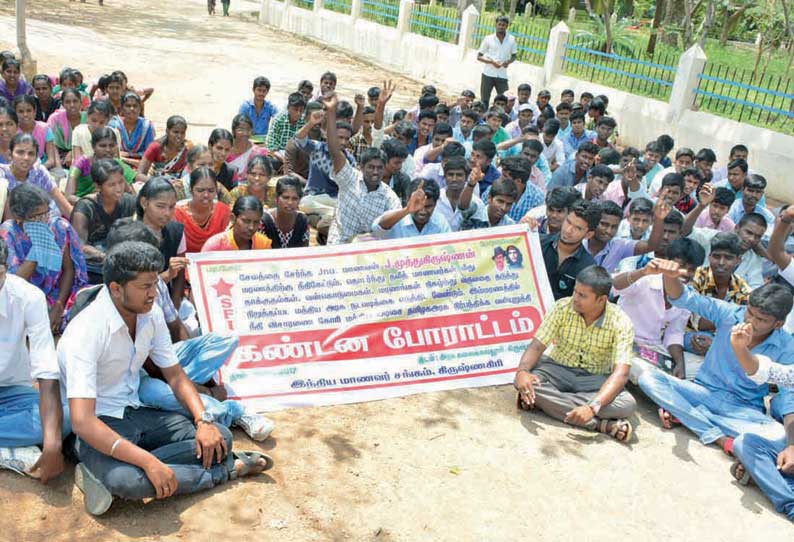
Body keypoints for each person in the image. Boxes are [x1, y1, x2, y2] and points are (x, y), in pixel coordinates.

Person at [59, 241, 272, 515]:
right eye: (145, 286)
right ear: (115, 288)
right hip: (98, 424)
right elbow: (83, 421)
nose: (153, 294)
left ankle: (106, 472)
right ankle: (226, 470)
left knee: (220, 436)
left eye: (155, 284)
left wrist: (203, 420)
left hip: (134, 409)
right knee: (129, 481)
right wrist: (148, 463)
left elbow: (175, 375)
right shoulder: (86, 331)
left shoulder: (151, 314)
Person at [638, 259, 794, 457]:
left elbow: (790, 397)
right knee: (649, 379)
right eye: (750, 313)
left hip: (743, 409)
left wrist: (791, 445)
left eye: (761, 320)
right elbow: (684, 298)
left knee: (778, 437)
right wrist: (671, 277)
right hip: (703, 391)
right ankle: (718, 436)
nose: (750, 322)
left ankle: (687, 414)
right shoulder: (729, 313)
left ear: (778, 324)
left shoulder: (787, 345)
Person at [513, 265, 636, 442]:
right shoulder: (562, 307)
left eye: (582, 295)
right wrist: (522, 372)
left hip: (594, 378)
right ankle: (601, 425)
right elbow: (537, 347)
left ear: (601, 300)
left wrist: (593, 406)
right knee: (525, 382)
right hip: (556, 369)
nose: (575, 299)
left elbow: (621, 373)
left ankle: (546, 404)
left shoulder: (621, 321)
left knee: (627, 404)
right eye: (575, 291)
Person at [0, 236, 69, 481]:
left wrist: (52, 445)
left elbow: (47, 371)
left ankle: (10, 448)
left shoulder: (28, 298)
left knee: (67, 417)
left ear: (3, 272)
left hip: (10, 391)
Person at [613, 238, 705, 380]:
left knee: (701, 368)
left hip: (653, 348)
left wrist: (679, 364)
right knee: (646, 374)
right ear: (667, 261)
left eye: (691, 269)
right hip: (623, 341)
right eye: (681, 266)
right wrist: (643, 271)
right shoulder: (646, 278)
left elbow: (674, 333)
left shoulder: (687, 296)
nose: (685, 273)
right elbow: (615, 286)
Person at [1, 183, 87, 333]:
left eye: (46, 213)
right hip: (23, 296)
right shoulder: (8, 233)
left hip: (56, 292)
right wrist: (39, 248)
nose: (44, 220)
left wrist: (59, 305)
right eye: (37, 217)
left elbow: (68, 269)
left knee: (85, 307)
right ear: (20, 218)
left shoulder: (58, 226)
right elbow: (13, 283)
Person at [323, 93, 401, 245]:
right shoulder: (350, 177)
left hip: (366, 252)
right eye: (371, 167)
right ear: (361, 167)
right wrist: (331, 112)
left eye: (379, 168)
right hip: (338, 243)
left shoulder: (389, 197)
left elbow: (392, 224)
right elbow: (334, 149)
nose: (375, 172)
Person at [71, 159, 137, 284]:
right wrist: (106, 257)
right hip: (94, 268)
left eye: (121, 182)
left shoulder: (129, 202)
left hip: (123, 261)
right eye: (112, 185)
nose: (119, 188)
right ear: (97, 186)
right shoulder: (85, 208)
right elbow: (79, 246)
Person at [584, 199, 670, 273]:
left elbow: (651, 246)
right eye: (604, 224)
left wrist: (659, 219)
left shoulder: (619, 246)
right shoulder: (580, 241)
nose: (608, 231)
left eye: (614, 227)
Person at [1, 133, 72, 219]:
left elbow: (62, 202)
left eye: (31, 154)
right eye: (20, 152)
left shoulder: (39, 172)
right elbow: (7, 220)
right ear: (10, 155)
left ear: (36, 157)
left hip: (50, 222)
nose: (26, 158)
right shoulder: (3, 175)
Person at [539, 200, 600, 300]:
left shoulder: (588, 267)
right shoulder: (538, 243)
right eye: (568, 222)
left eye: (578, 228)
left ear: (588, 235)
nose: (568, 230)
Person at [65, 127, 144, 201]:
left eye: (112, 146)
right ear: (93, 146)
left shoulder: (116, 164)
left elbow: (130, 193)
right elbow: (69, 196)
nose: (108, 150)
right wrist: (90, 202)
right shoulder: (80, 164)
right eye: (102, 146)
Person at [175, 167, 232, 253]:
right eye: (200, 190)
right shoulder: (177, 213)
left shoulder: (223, 211)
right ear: (191, 190)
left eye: (211, 190)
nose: (206, 195)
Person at [372, 178, 450, 239]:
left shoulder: (440, 222)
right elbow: (376, 229)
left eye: (428, 206)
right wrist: (407, 210)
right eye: (417, 206)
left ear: (435, 204)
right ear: (408, 200)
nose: (422, 212)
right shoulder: (396, 218)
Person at [483, 155, 543, 222]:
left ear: (518, 181)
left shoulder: (537, 197)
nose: (500, 178)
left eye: (505, 176)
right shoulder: (492, 189)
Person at [201, 196, 270, 251]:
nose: (251, 227)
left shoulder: (263, 244)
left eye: (256, 222)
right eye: (246, 221)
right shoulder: (215, 245)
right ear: (233, 218)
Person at [477, 15, 518, 107]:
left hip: (502, 74)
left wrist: (507, 62)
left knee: (505, 99)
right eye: (499, 24)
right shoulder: (488, 38)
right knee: (484, 100)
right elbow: (479, 56)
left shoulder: (511, 39)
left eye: (503, 25)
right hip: (488, 74)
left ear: (507, 26)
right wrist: (492, 62)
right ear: (496, 25)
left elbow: (514, 56)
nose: (501, 27)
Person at [260, 176, 310, 248]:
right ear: (276, 198)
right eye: (285, 197)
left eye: (295, 198)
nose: (290, 202)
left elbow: (304, 252)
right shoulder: (264, 221)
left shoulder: (302, 221)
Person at [109, 92, 155, 168]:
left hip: (140, 163)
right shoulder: (114, 125)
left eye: (135, 106)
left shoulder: (147, 126)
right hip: (117, 164)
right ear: (122, 108)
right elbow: (110, 152)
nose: (132, 109)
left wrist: (128, 155)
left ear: (140, 108)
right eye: (128, 106)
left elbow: (149, 153)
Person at [14, 95, 58, 170]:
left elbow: (51, 160)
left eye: (29, 110)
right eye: (21, 111)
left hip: (41, 167)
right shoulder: (12, 131)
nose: (25, 114)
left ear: (34, 112)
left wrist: (38, 170)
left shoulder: (45, 128)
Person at [225, 114, 267, 185]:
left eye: (248, 129)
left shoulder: (257, 152)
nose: (245, 133)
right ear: (233, 131)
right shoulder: (225, 149)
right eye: (240, 129)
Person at [47, 88, 84, 167]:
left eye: (75, 101)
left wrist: (72, 152)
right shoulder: (55, 118)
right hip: (58, 156)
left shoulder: (88, 118)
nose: (72, 105)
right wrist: (59, 168)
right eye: (67, 102)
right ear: (63, 104)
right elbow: (52, 145)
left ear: (81, 102)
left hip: (83, 154)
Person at [266, 92, 306, 156]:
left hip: (297, 155)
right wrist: (284, 160)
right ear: (288, 108)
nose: (299, 113)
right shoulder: (278, 120)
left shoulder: (304, 121)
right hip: (279, 154)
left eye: (301, 110)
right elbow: (271, 147)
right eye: (296, 110)